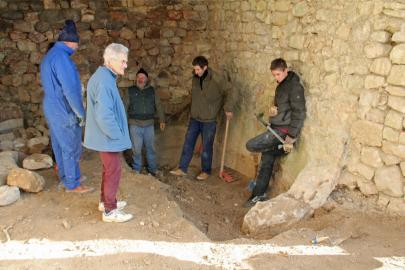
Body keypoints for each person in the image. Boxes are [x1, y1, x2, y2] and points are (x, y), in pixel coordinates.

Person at [244, 58, 306, 208]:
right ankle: (258, 195)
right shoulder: (282, 85)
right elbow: (282, 106)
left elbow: (299, 112)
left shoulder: (294, 87)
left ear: (286, 70)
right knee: (267, 160)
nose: (276, 78)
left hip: (283, 132)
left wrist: (290, 137)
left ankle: (279, 148)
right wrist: (274, 110)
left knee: (251, 145)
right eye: (274, 75)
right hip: (275, 126)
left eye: (278, 74)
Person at [40, 20, 93, 194]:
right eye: (77, 43)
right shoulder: (62, 58)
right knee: (71, 146)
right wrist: (80, 113)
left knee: (59, 144)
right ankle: (73, 183)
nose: (77, 47)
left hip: (52, 107)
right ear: (71, 42)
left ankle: (66, 176)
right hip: (63, 110)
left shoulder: (50, 56)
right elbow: (70, 90)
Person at [83, 43, 133, 223]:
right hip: (107, 138)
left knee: (108, 170)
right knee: (113, 171)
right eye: (123, 61)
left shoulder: (104, 77)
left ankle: (105, 202)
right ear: (111, 60)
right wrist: (116, 135)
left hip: (105, 137)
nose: (125, 65)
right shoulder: (104, 81)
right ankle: (110, 212)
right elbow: (104, 115)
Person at [170, 56, 234, 180]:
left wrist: (228, 108)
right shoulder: (195, 78)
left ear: (205, 67)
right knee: (188, 143)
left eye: (198, 69)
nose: (196, 72)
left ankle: (206, 171)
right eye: (195, 69)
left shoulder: (216, 79)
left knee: (207, 146)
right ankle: (182, 168)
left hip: (209, 120)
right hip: (195, 118)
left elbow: (230, 90)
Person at [127, 68, 165, 176]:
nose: (140, 79)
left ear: (146, 79)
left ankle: (152, 169)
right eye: (139, 77)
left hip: (149, 125)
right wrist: (125, 124)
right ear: (136, 78)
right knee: (136, 149)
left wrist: (162, 120)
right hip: (134, 125)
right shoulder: (130, 90)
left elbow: (158, 105)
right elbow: (125, 107)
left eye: (143, 77)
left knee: (151, 148)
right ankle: (136, 169)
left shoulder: (152, 90)